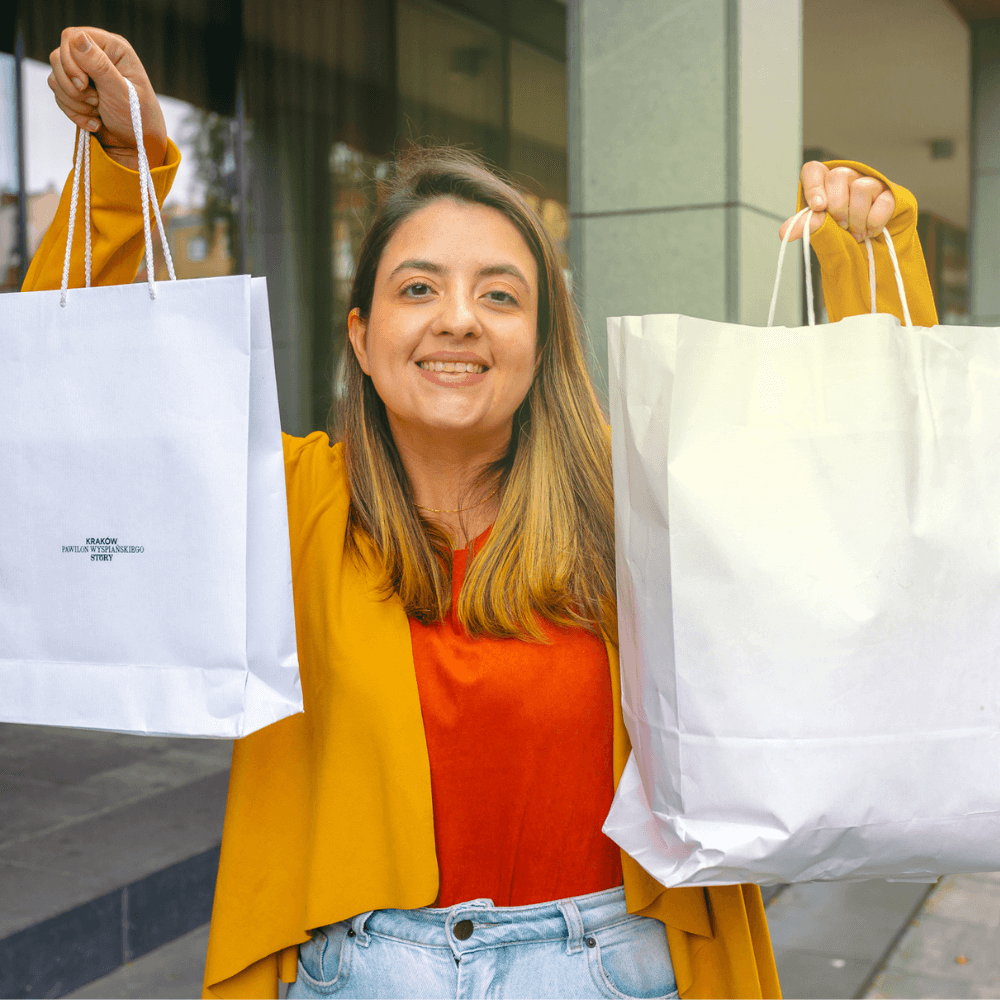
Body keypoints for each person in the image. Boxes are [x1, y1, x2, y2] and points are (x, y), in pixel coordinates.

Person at [30, 26, 937, 1000]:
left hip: (621, 971)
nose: (457, 317)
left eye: (499, 295)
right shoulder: (288, 500)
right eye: (417, 287)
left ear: (541, 341)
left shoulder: (638, 504)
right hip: (354, 975)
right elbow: (87, 420)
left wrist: (861, 256)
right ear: (363, 338)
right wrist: (126, 166)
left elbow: (867, 507)